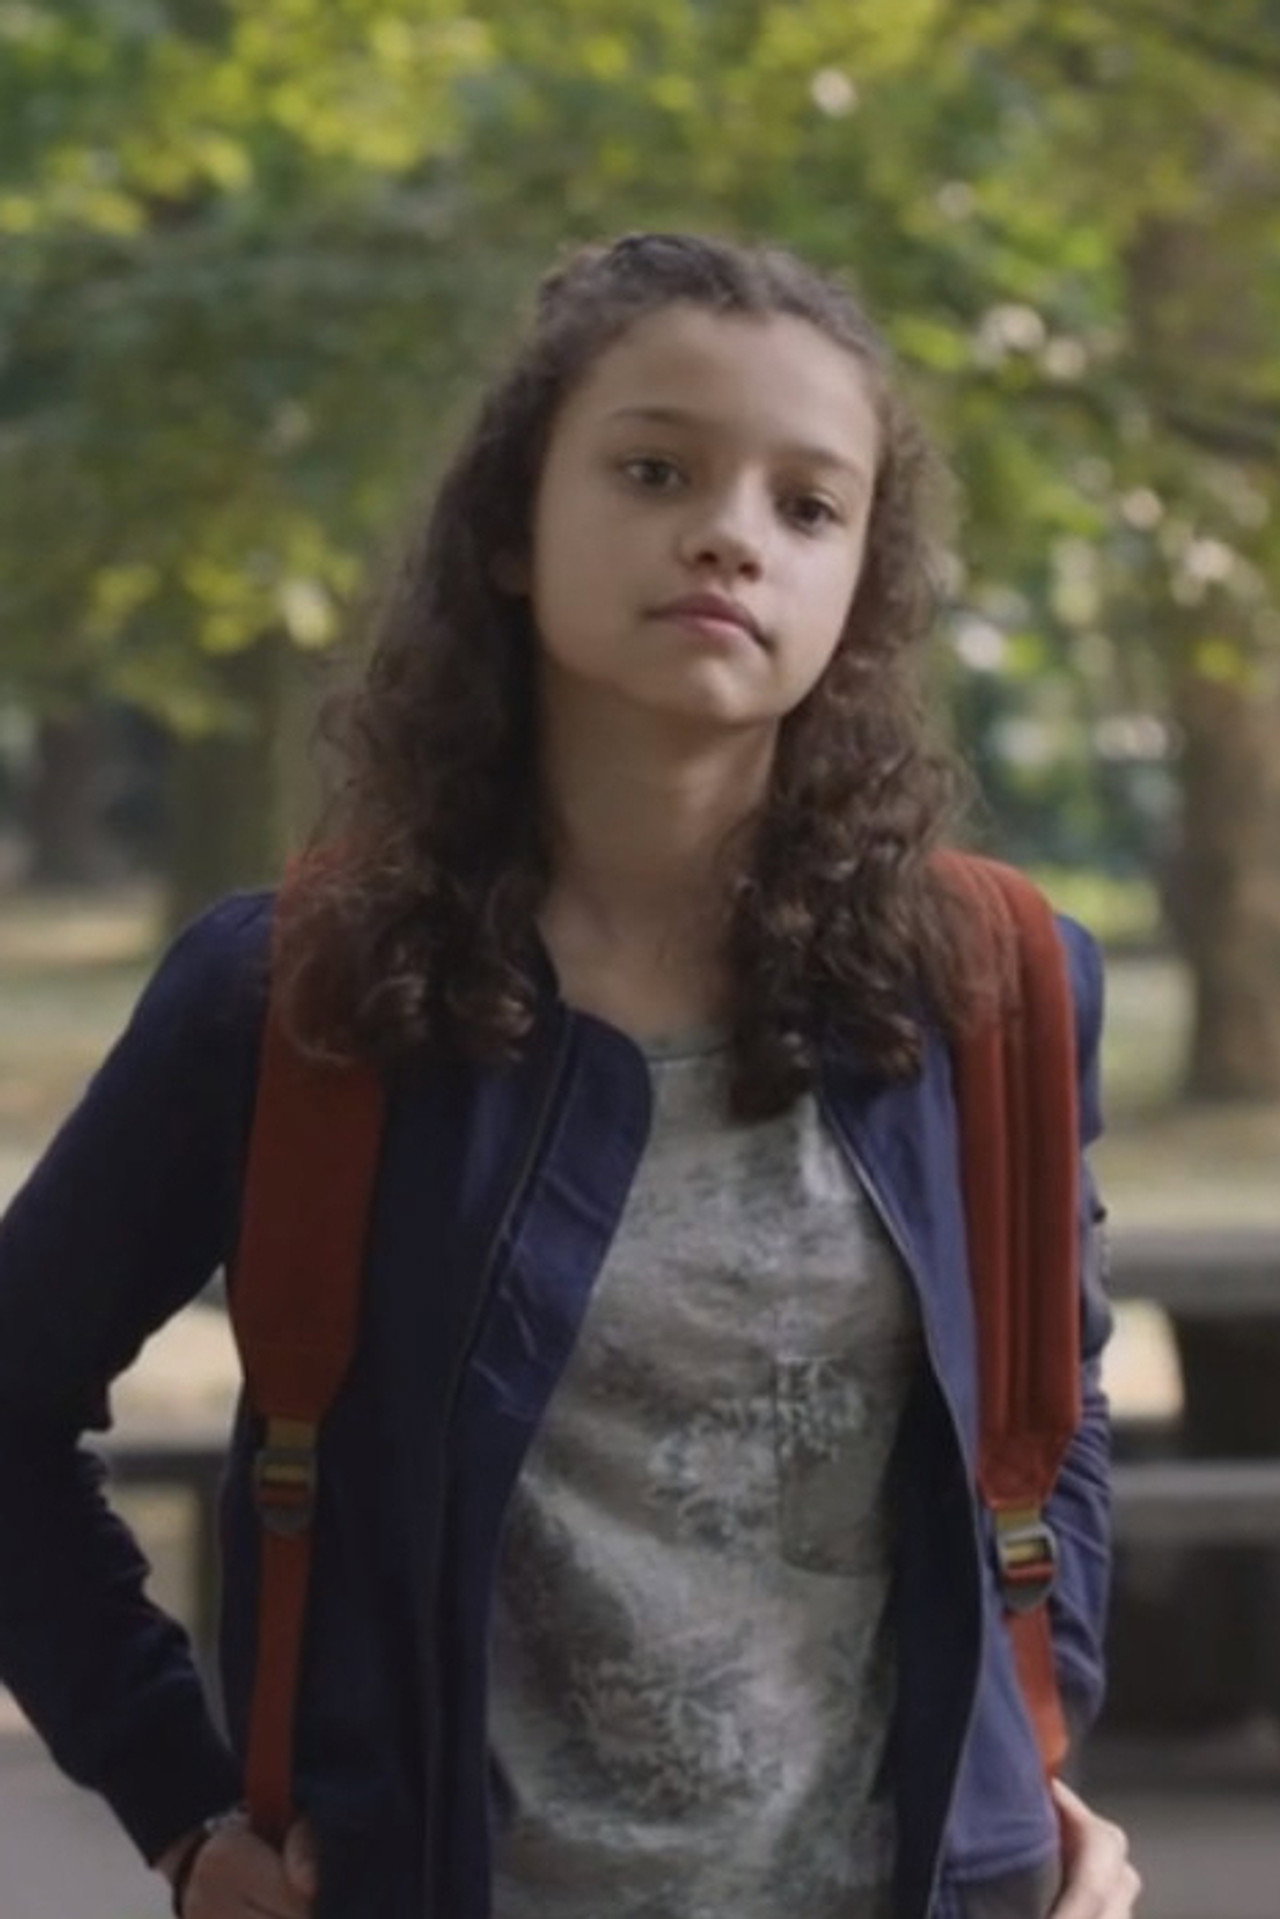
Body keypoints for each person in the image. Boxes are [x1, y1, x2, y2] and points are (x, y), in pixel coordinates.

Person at [0, 231, 1139, 1919]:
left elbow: (1051, 1407)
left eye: (808, 506)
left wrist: (1022, 1758)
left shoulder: (998, 989)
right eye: (655, 469)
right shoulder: (293, 997)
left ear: (861, 588)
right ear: (511, 531)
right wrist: (180, 1804)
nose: (732, 534)